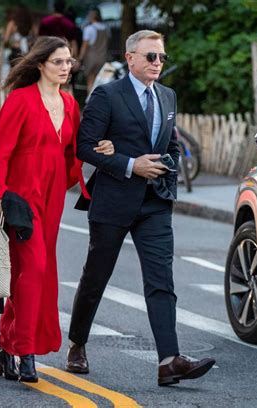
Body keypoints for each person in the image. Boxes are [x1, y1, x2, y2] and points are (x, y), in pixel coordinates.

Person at [66, 30, 216, 386]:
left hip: (154, 203)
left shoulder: (167, 96)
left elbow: (173, 144)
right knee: (95, 277)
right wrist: (132, 165)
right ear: (130, 58)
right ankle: (77, 343)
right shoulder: (107, 95)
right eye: (151, 56)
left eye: (161, 57)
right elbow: (84, 147)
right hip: (114, 200)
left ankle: (169, 360)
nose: (157, 63)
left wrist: (167, 167)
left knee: (162, 281)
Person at [0, 36, 114, 383]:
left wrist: (104, 148)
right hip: (19, 199)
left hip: (51, 200)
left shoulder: (69, 104)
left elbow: (74, 152)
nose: (66, 68)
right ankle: (25, 352)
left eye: (69, 62)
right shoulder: (20, 100)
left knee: (31, 274)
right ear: (40, 64)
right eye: (59, 62)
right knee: (35, 269)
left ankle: (7, 344)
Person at [78, 8, 109, 94]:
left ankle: (90, 102)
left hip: (91, 58)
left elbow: (84, 46)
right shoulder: (106, 28)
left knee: (90, 81)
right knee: (99, 82)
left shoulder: (89, 29)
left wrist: (80, 58)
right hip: (103, 57)